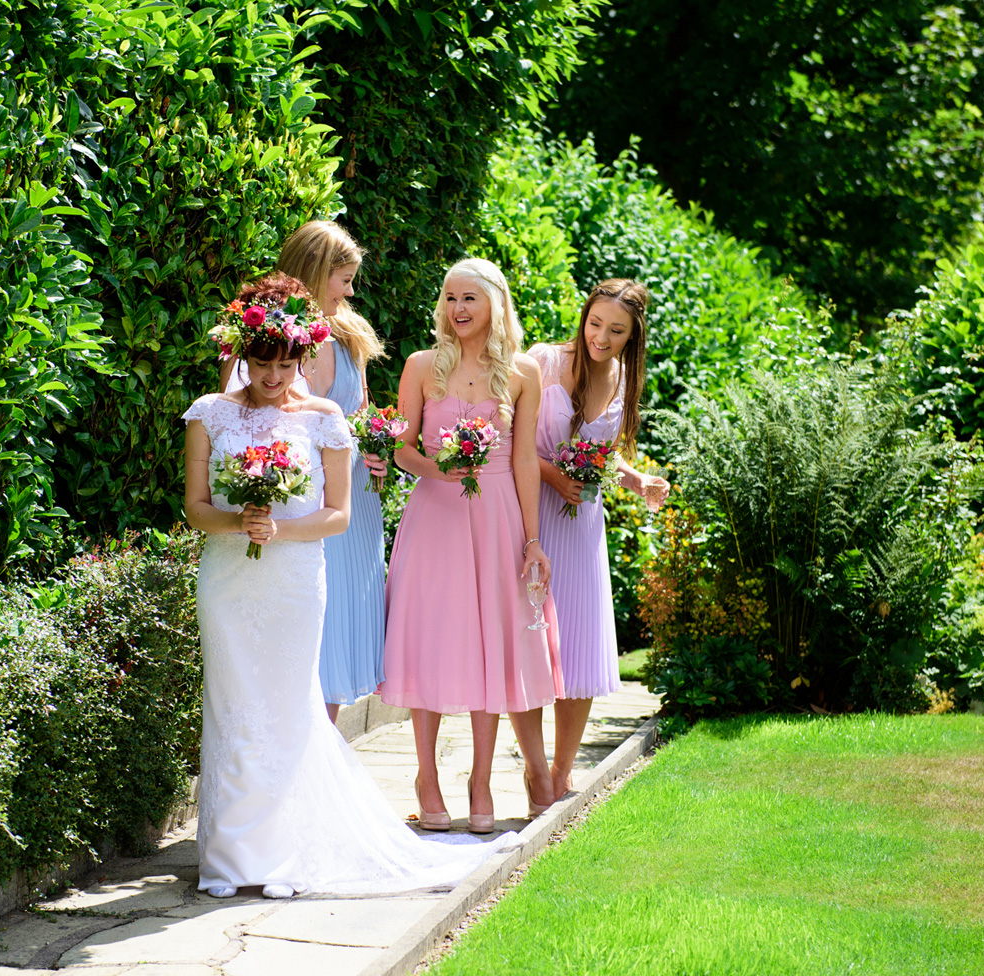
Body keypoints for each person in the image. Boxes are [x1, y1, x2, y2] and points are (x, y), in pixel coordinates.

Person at [185, 273, 516, 899]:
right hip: (227, 581)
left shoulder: (325, 417)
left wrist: (277, 528)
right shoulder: (209, 415)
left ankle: (282, 855)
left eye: (287, 362)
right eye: (263, 362)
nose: (276, 376)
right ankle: (227, 859)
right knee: (232, 706)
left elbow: (338, 514)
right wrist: (239, 520)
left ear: (302, 357)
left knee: (286, 706)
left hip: (293, 581)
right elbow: (196, 508)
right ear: (243, 356)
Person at [382, 258, 563, 834]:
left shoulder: (524, 372)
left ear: (495, 304)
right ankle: (426, 779)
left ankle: (481, 779)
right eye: (451, 299)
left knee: (491, 643)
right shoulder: (420, 366)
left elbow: (526, 463)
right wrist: (438, 468)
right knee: (431, 638)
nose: (459, 310)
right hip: (434, 516)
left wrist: (533, 540)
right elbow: (402, 449)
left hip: (498, 520)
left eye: (470, 299)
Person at [220, 220, 386, 723]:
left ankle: (323, 762)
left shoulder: (352, 336)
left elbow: (356, 415)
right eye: (344, 278)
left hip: (352, 507)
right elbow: (235, 421)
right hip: (295, 504)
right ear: (316, 273)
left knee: (336, 636)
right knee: (298, 637)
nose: (351, 290)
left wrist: (375, 446)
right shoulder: (265, 339)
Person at [528, 279, 670, 801]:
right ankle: (536, 770)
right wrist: (551, 475)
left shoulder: (624, 376)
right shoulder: (542, 361)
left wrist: (637, 481)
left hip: (583, 523)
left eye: (616, 331)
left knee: (580, 649)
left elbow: (602, 452)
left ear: (632, 336)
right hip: (533, 515)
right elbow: (507, 437)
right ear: (584, 316)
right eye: (595, 323)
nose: (601, 338)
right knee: (532, 640)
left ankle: (562, 773)